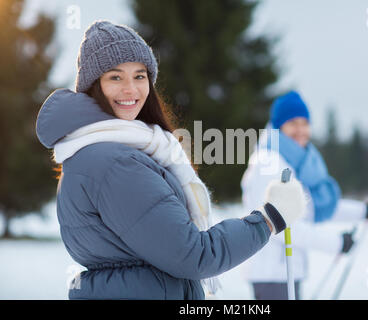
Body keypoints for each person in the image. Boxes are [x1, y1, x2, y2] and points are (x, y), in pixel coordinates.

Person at [35, 21, 308, 300]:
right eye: (115, 77)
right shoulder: (114, 163)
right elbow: (194, 255)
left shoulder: (108, 151)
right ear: (94, 86)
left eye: (140, 76)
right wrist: (269, 219)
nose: (131, 89)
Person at [241, 91, 368, 300]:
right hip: (272, 274)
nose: (300, 130)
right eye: (293, 123)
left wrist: (362, 211)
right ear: (279, 126)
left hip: (287, 272)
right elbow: (281, 224)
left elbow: (308, 208)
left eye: (305, 123)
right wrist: (336, 243)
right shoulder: (268, 163)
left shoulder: (295, 162)